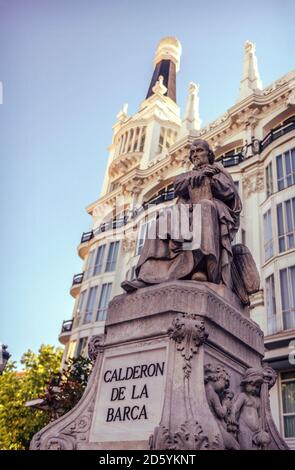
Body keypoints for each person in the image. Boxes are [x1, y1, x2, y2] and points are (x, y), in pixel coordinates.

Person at [121, 139, 242, 293]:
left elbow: (229, 192)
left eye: (199, 150)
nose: (195, 155)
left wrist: (209, 179)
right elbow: (178, 186)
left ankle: (202, 268)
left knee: (204, 208)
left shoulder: (218, 170)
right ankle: (147, 275)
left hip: (211, 209)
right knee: (162, 220)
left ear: (208, 154)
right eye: (192, 153)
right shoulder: (189, 174)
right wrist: (194, 177)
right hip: (187, 211)